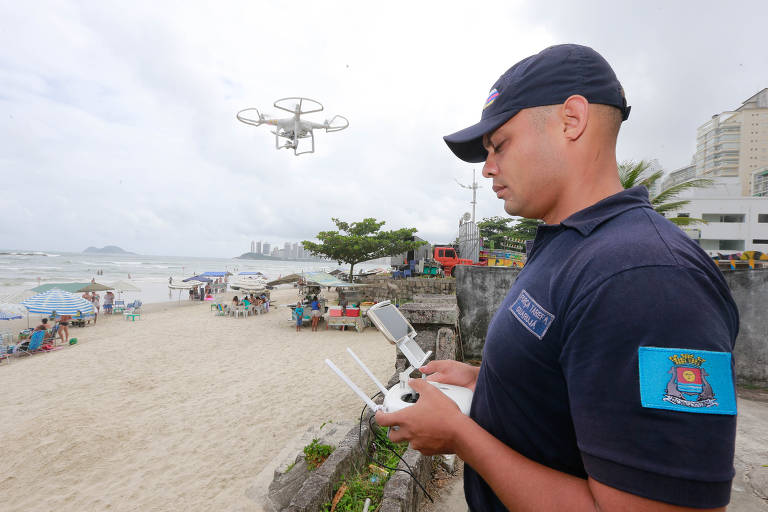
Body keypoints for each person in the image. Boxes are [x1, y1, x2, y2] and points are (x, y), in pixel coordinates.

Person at [375, 44, 739, 511]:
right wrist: (487, 382)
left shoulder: (646, 278)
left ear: (572, 120)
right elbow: (581, 379)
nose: (487, 169)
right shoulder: (572, 244)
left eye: (499, 145)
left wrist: (461, 436)